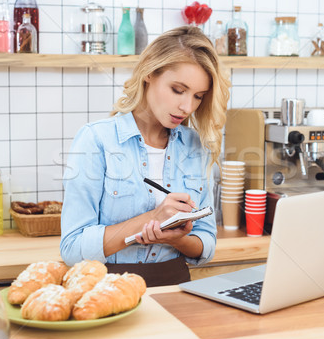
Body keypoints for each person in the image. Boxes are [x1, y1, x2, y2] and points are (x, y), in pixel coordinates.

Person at [60, 26, 230, 287]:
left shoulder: (194, 145)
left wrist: (176, 238)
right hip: (107, 290)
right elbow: (72, 249)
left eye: (198, 96)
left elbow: (206, 244)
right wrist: (151, 219)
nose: (187, 107)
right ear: (150, 72)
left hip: (175, 287)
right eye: (177, 89)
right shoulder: (97, 140)